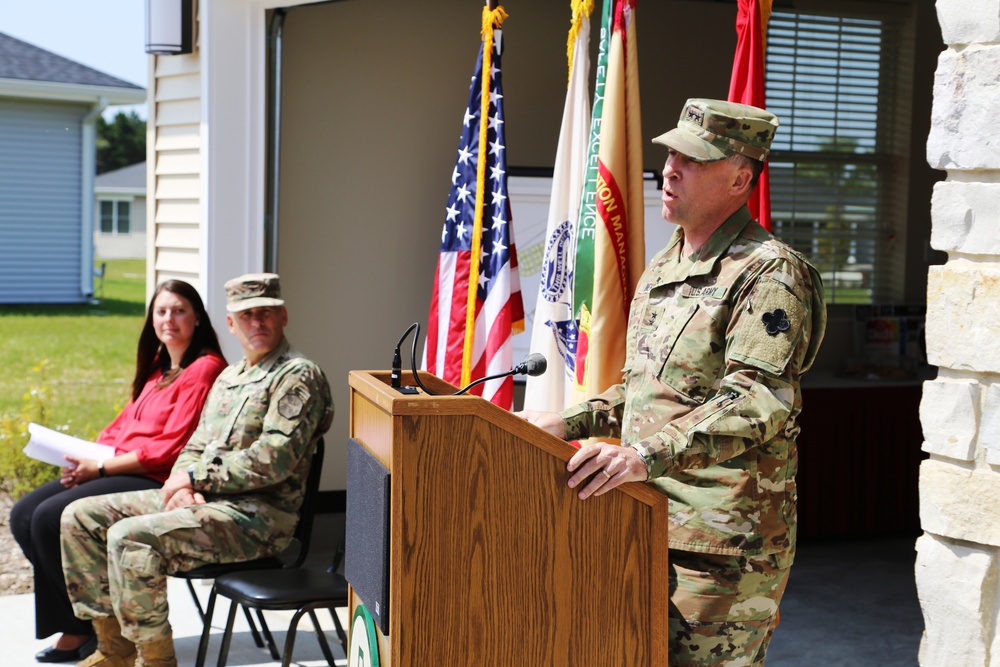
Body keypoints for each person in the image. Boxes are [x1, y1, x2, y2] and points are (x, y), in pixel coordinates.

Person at [520, 99, 826, 666]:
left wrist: (641, 454)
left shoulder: (770, 272)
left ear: (739, 178)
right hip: (642, 521)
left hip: (719, 548)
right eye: (670, 155)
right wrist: (572, 421)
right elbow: (650, 390)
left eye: (693, 159)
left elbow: (758, 401)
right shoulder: (666, 266)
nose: (670, 169)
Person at [60, 272, 333, 667]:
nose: (256, 323)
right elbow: (195, 446)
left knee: (130, 537)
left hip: (257, 519)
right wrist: (182, 484)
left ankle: (156, 660)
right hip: (205, 503)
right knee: (80, 516)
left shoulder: (296, 375)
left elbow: (275, 458)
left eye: (265, 314)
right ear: (230, 323)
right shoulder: (229, 377)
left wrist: (197, 478)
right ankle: (114, 650)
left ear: (284, 317)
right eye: (246, 315)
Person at [10, 280, 227, 664]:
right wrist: (84, 457)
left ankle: (87, 631)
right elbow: (122, 425)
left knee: (49, 517)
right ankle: (81, 625)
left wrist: (103, 467)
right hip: (119, 464)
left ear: (197, 318)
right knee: (24, 514)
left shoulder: (205, 368)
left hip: (157, 476)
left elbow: (170, 447)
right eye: (161, 311)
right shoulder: (161, 367)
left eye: (178, 310)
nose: (168, 319)